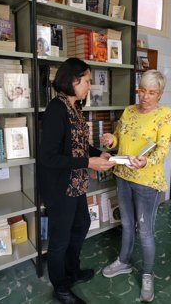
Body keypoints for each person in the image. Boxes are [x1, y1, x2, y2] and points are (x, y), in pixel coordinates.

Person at [38, 58, 115, 304]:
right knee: (59, 240)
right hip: (59, 187)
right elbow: (48, 158)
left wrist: (96, 154)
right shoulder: (55, 110)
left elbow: (80, 145)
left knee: (81, 224)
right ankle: (60, 287)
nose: (90, 86)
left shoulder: (74, 107)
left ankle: (72, 272)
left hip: (76, 183)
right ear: (73, 80)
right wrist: (88, 163)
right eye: (88, 81)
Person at [101, 70, 171, 302]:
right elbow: (119, 137)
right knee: (126, 223)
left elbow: (162, 149)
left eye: (151, 92)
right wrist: (111, 140)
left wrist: (145, 161)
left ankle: (147, 274)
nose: (145, 97)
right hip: (123, 175)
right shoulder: (129, 111)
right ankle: (123, 261)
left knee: (145, 231)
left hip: (147, 181)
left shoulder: (165, 114)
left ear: (159, 94)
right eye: (142, 91)